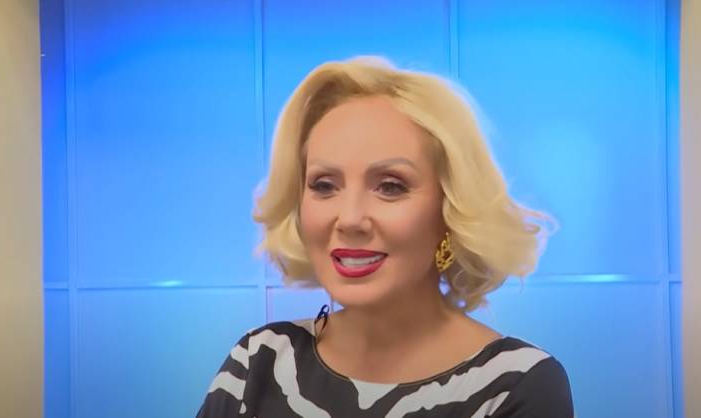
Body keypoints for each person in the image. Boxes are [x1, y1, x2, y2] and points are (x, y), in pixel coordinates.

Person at [195, 56, 574, 417]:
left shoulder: (515, 384)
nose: (350, 219)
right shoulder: (259, 361)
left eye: (390, 186)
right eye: (324, 185)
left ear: (451, 209)